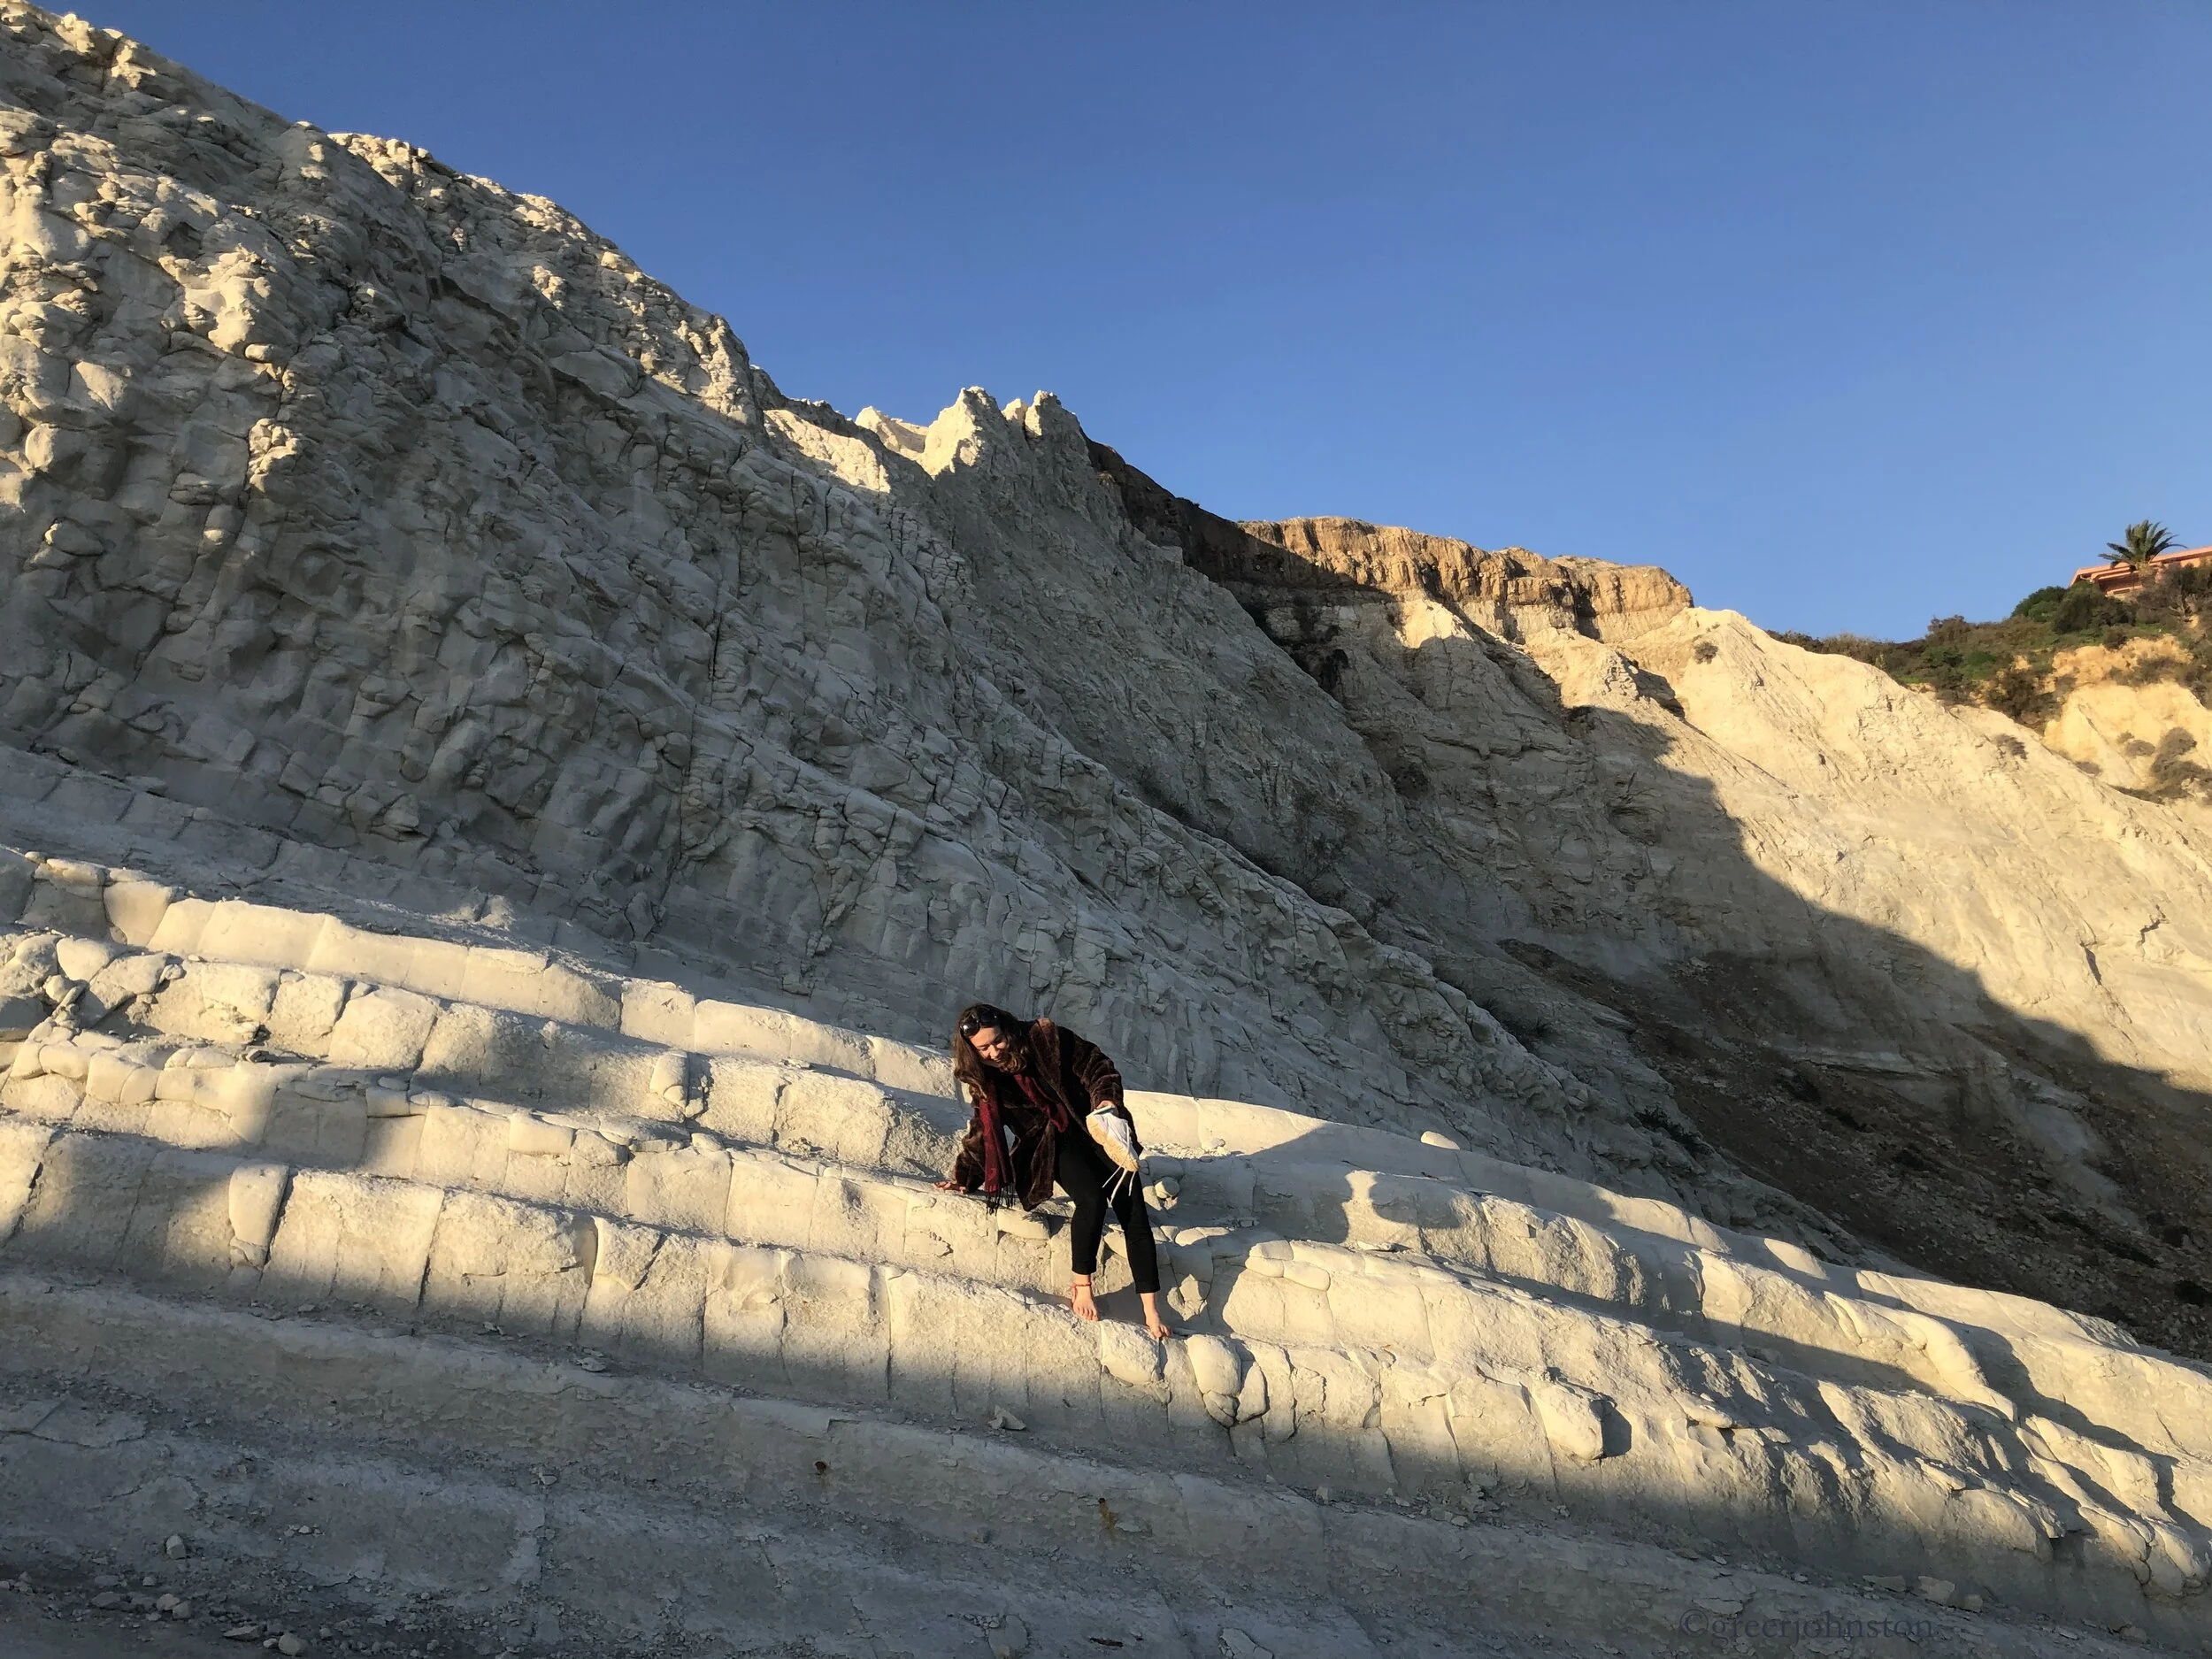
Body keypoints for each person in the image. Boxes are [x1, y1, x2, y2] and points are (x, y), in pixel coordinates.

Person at [938, 1002, 1171, 1341]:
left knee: (1134, 1212)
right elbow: (982, 1131)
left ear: (1006, 1028)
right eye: (983, 1048)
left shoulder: (1045, 1038)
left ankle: (1151, 1310)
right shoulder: (984, 1078)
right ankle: (1081, 1286)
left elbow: (1097, 1065)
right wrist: (965, 1178)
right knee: (1091, 1201)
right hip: (1051, 1144)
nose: (993, 1052)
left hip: (1094, 1126)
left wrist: (1106, 1103)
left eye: (997, 1041)